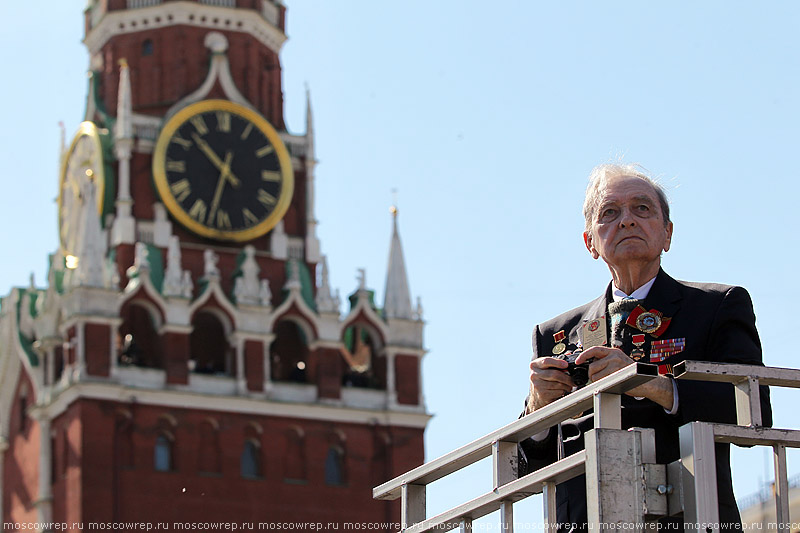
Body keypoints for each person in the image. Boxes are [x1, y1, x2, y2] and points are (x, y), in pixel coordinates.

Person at [519, 163, 772, 530]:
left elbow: (755, 410)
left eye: (642, 208)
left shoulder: (716, 307)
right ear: (590, 242)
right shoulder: (556, 334)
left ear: (667, 234)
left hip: (685, 516)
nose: (627, 221)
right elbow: (527, 465)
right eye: (610, 212)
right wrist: (537, 407)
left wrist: (651, 384)